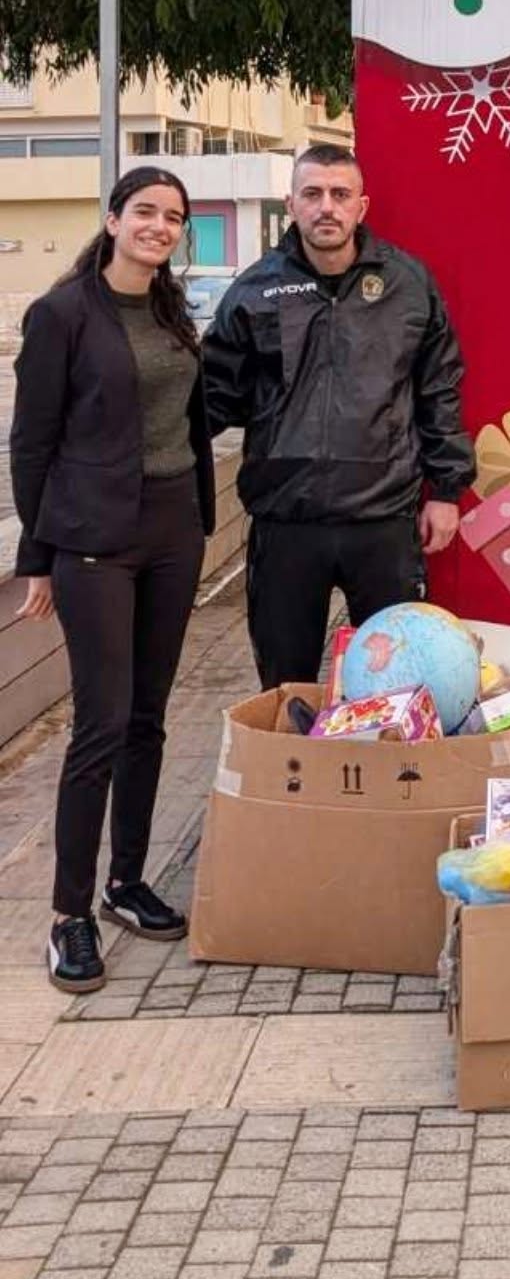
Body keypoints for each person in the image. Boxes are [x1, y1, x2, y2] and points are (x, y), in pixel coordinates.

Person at [10, 168, 216, 994]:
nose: (159, 227)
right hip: (94, 538)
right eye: (145, 212)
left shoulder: (170, 311)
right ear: (113, 219)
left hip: (173, 529)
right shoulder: (61, 314)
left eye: (173, 217)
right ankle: (69, 915)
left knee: (148, 720)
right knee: (101, 722)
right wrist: (37, 558)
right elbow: (32, 443)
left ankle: (126, 881)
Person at [203, 143, 475, 688]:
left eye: (339, 194)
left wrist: (447, 490)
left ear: (361, 206)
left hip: (383, 520)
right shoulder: (255, 291)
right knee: (287, 688)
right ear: (291, 205)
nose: (326, 207)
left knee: (396, 686)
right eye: (312, 194)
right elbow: (209, 398)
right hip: (286, 522)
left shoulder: (407, 285)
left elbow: (438, 389)